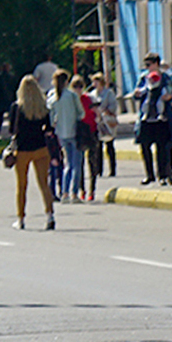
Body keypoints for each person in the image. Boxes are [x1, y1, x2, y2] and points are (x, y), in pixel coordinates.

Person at [7, 75, 57, 230]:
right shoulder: (43, 107)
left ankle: (21, 219)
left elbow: (11, 130)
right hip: (41, 149)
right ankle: (50, 216)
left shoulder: (17, 107)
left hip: (22, 150)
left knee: (22, 185)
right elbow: (48, 130)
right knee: (44, 183)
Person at [128, 53, 172, 185]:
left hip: (162, 119)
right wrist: (137, 94)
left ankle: (162, 175)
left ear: (156, 64)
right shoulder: (143, 78)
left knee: (162, 148)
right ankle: (149, 175)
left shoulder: (167, 78)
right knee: (145, 147)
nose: (147, 68)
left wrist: (170, 98)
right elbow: (136, 94)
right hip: (146, 119)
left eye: (148, 65)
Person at [49, 70, 85, 202]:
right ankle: (74, 193)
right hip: (74, 132)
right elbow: (81, 113)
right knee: (77, 164)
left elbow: (51, 118)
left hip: (61, 134)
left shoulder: (52, 96)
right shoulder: (72, 96)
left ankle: (64, 192)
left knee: (68, 164)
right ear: (66, 82)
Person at [90, 73, 119, 179]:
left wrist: (106, 111)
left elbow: (113, 106)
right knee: (98, 147)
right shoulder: (92, 94)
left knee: (109, 145)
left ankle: (112, 169)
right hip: (97, 122)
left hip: (107, 122)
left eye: (96, 81)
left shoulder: (109, 93)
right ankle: (98, 170)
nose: (94, 84)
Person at [0, 62, 15, 133]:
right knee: (10, 113)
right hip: (9, 97)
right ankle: (11, 126)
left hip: (1, 97)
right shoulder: (11, 77)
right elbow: (14, 87)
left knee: (0, 113)